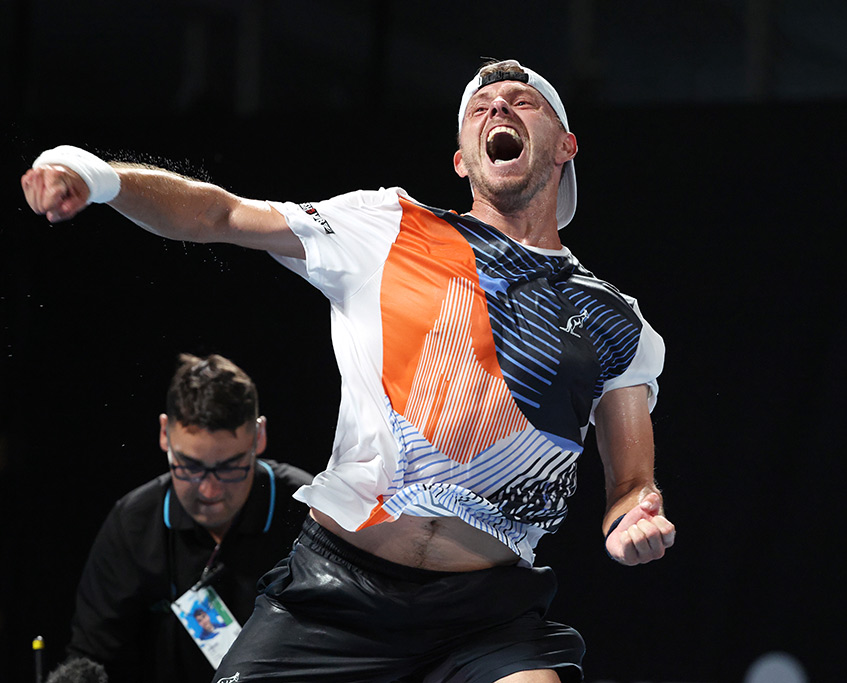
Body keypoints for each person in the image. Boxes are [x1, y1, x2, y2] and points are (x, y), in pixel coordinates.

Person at [22, 58, 675, 683]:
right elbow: (220, 212)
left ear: (565, 145)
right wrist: (96, 175)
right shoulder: (385, 227)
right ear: (461, 159)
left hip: (484, 615)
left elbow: (631, 485)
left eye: (521, 102)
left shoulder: (616, 321)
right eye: (480, 108)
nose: (498, 108)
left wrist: (633, 519)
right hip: (336, 592)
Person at [47, 353, 313, 683]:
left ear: (259, 437)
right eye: (190, 467)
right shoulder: (132, 524)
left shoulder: (309, 514)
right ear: (164, 433)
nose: (210, 491)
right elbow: (91, 659)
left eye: (230, 467)